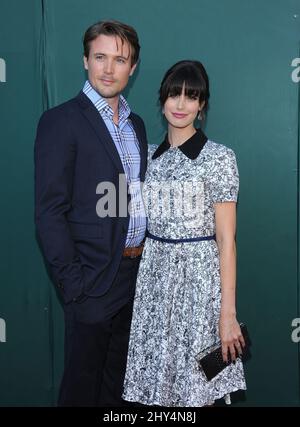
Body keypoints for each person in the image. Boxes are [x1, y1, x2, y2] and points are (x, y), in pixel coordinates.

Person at [34, 20, 148, 406]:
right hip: (91, 281)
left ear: (132, 68)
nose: (108, 68)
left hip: (134, 277)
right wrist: (74, 286)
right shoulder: (61, 120)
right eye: (100, 57)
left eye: (120, 59)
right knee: (82, 391)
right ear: (85, 60)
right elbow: (50, 211)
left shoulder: (137, 125)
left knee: (120, 389)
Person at [123, 60, 246, 407]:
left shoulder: (219, 158)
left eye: (191, 97)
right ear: (162, 99)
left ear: (202, 105)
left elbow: (226, 241)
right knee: (156, 390)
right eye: (174, 95)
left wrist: (228, 313)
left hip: (200, 285)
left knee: (198, 387)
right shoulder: (147, 158)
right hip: (154, 284)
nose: (180, 105)